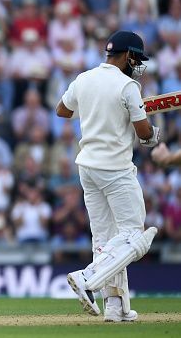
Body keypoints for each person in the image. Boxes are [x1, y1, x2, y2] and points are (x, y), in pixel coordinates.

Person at [55, 31, 159, 322]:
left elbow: (62, 110)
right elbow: (143, 133)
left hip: (87, 167)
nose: (137, 64)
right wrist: (154, 136)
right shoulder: (128, 86)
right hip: (115, 169)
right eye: (136, 58)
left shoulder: (84, 79)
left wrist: (94, 110)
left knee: (105, 239)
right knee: (133, 237)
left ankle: (115, 309)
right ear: (127, 56)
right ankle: (87, 277)